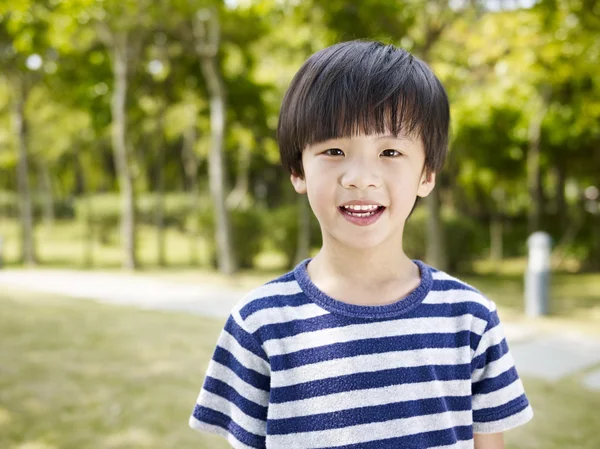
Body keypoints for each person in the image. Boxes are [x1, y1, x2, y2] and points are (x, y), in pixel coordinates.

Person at [189, 40, 533, 449]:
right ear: (299, 170)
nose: (360, 177)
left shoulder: (471, 319)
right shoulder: (259, 323)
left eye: (390, 151)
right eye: (334, 150)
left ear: (427, 174)